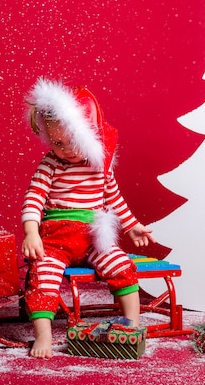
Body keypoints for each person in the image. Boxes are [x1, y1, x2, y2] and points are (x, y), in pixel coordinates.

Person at [21, 78, 156, 358]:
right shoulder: (51, 164)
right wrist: (32, 232)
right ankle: (43, 335)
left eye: (72, 142)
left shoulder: (99, 164)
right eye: (57, 142)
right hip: (56, 240)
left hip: (93, 238)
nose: (66, 150)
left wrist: (132, 227)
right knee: (43, 276)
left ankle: (132, 324)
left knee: (120, 264)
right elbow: (34, 198)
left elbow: (114, 198)